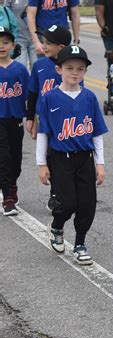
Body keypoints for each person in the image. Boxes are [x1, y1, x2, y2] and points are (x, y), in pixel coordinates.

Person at [36, 45, 108, 265]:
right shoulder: (50, 98)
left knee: (87, 204)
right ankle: (57, 227)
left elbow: (96, 133)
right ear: (59, 70)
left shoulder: (89, 98)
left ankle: (80, 244)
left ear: (85, 72)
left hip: (84, 158)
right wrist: (41, 164)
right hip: (60, 159)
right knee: (67, 203)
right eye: (69, 68)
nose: (74, 72)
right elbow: (43, 132)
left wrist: (100, 163)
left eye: (80, 68)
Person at [26, 24, 71, 212]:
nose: (43, 46)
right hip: (45, 120)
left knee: (65, 158)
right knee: (50, 157)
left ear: (61, 47)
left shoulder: (70, 66)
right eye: (43, 42)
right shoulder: (39, 65)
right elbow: (33, 93)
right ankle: (55, 194)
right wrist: (30, 118)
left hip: (65, 121)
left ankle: (66, 190)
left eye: (48, 43)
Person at [0, 27, 29, 216]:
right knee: (3, 157)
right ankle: (8, 199)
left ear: (13, 45)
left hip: (16, 119)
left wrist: (34, 117)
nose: (1, 46)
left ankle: (12, 184)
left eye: (5, 42)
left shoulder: (20, 69)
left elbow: (30, 95)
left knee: (16, 158)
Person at [5, 0, 37, 69]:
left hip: (36, 38)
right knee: (21, 68)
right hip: (19, 38)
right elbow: (6, 15)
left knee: (37, 68)